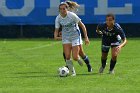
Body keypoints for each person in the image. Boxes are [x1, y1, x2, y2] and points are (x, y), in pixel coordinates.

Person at [54, 2, 90, 76]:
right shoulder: (58, 18)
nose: (62, 10)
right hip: (66, 38)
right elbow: (56, 30)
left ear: (67, 9)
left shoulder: (72, 15)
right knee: (67, 57)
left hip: (75, 37)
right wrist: (55, 36)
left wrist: (86, 37)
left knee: (75, 57)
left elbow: (82, 26)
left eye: (64, 9)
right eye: (60, 9)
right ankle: (73, 72)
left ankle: (80, 60)